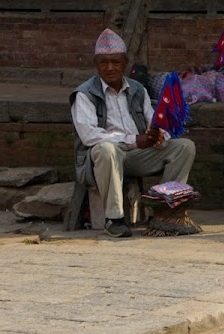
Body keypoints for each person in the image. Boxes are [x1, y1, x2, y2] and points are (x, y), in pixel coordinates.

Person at [70, 29, 196, 239]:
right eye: (104, 62)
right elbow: (89, 136)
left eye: (115, 62)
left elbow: (154, 120)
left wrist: (159, 135)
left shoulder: (138, 89)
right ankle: (114, 218)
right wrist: (133, 140)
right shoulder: (84, 93)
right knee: (106, 148)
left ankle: (167, 211)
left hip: (136, 155)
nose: (110, 67)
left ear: (125, 63)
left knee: (184, 146)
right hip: (104, 160)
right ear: (96, 64)